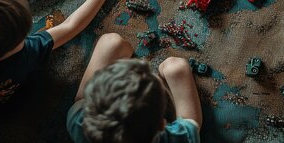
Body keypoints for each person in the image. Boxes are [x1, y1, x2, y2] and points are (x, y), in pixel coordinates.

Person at [67, 51, 202, 143]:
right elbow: (192, 125)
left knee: (110, 42)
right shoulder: (179, 138)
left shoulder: (78, 123)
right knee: (176, 68)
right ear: (162, 124)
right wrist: (177, 69)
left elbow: (81, 104)